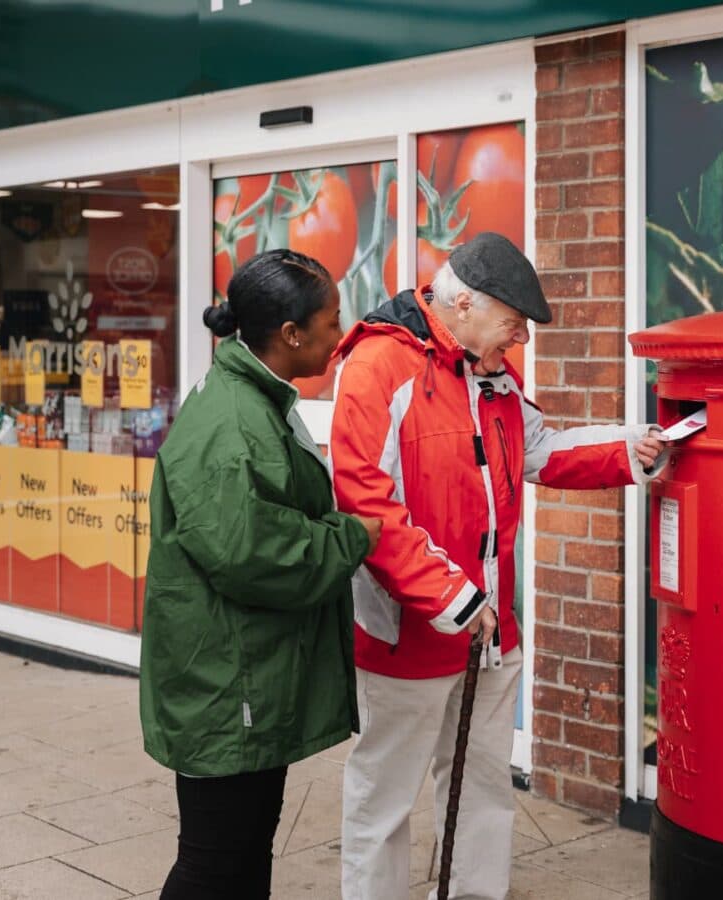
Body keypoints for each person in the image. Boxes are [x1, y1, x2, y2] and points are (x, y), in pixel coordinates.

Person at [329, 231, 667, 900]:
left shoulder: (493, 374)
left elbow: (540, 452)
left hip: (489, 634)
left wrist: (632, 447)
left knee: (483, 786)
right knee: (384, 800)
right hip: (411, 635)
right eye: (515, 323)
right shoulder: (376, 368)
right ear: (463, 305)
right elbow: (365, 505)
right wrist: (453, 599)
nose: (523, 340)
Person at [139, 248, 382, 900]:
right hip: (228, 680)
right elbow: (256, 556)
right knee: (216, 863)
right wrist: (353, 535)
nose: (340, 332)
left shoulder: (254, 399)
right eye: (331, 321)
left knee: (244, 852)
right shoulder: (234, 422)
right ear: (291, 334)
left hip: (244, 673)